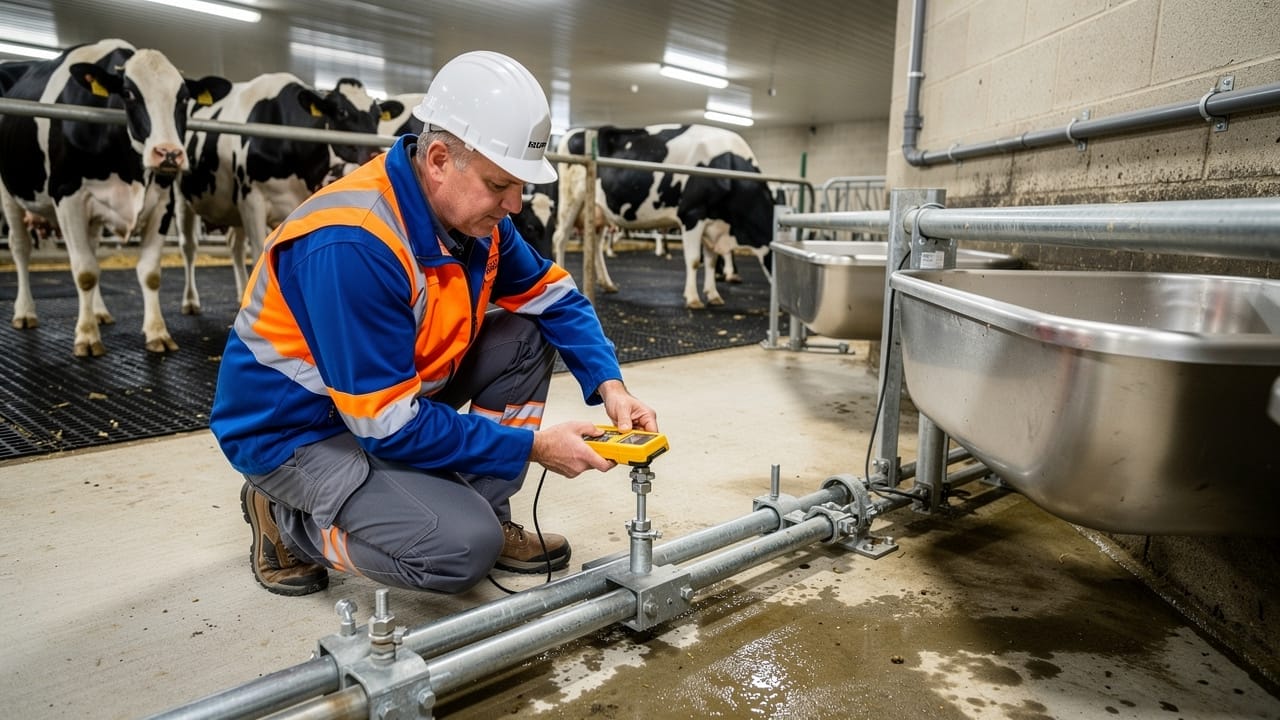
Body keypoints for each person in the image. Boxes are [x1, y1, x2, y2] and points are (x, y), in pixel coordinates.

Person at [208, 50, 657, 597]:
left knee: (527, 332)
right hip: (297, 431)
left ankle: (488, 509)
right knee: (459, 549)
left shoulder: (474, 223)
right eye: (500, 185)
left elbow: (556, 297)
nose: (514, 205)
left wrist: (611, 385)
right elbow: (388, 425)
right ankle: (286, 520)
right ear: (440, 158)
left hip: (382, 400)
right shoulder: (355, 242)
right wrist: (533, 447)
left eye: (521, 186)